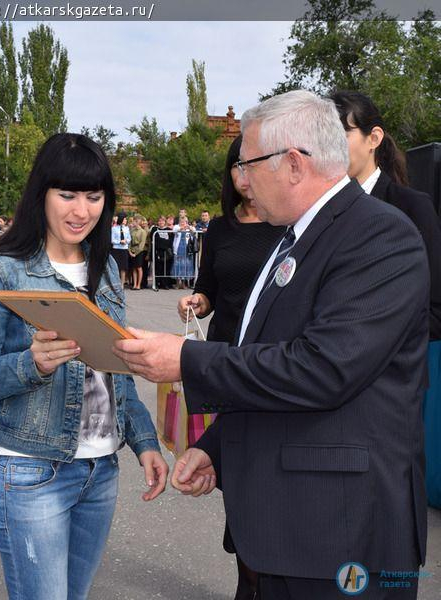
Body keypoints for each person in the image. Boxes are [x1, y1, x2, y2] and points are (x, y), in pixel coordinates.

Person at [112, 90, 429, 599]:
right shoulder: (297, 237)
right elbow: (270, 359)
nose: (241, 179)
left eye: (248, 164)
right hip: (288, 528)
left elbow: (321, 370)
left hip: (340, 533)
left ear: (294, 165)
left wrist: (185, 359)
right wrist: (216, 447)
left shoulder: (379, 236)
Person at [0, 133, 168, 600]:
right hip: (30, 473)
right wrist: (29, 364)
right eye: (66, 194)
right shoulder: (2, 271)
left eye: (93, 196)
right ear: (41, 194)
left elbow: (119, 366)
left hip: (101, 471)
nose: (81, 210)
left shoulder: (105, 268)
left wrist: (144, 441)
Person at [177, 134, 285, 599]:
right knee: (236, 467)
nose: (244, 177)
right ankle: (248, 568)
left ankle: (265, 568)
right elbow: (208, 291)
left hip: (272, 363)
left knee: (268, 471)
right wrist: (195, 302)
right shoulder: (219, 230)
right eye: (236, 168)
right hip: (225, 360)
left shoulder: (291, 224)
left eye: (251, 166)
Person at [330, 90, 441, 340]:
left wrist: (373, 339)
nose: (329, 147)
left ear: (374, 138)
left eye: (340, 135)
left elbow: (436, 311)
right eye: (323, 138)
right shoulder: (318, 211)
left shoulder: (412, 207)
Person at [171, 215, 197, 289]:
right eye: (181, 221)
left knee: (185, 265)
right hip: (178, 248)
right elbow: (174, 231)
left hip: (187, 249)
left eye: (185, 221)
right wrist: (182, 228)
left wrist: (189, 227)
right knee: (177, 265)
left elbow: (194, 231)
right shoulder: (176, 226)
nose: (183, 223)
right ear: (179, 222)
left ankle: (183, 283)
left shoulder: (189, 227)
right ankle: (177, 283)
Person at [148, 215, 174, 290]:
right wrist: (164, 242)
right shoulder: (154, 229)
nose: (161, 222)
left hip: (167, 253)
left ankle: (165, 284)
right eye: (159, 221)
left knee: (166, 269)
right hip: (157, 252)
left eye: (162, 221)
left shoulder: (169, 230)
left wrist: (163, 243)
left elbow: (170, 242)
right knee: (157, 268)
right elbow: (156, 240)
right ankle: (156, 283)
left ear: (165, 222)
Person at [111, 211, 131, 287]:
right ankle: (116, 283)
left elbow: (129, 238)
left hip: (124, 249)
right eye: (125, 219)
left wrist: (126, 241)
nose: (126, 220)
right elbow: (112, 240)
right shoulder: (114, 228)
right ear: (121, 219)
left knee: (123, 267)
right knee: (116, 267)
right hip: (116, 249)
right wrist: (119, 241)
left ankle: (122, 284)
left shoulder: (127, 228)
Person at [128, 214, 147, 290]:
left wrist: (135, 253)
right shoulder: (132, 231)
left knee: (139, 268)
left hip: (139, 251)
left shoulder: (142, 231)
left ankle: (139, 284)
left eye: (135, 221)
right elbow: (129, 241)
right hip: (132, 249)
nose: (134, 223)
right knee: (133, 268)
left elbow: (142, 244)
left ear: (138, 222)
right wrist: (129, 251)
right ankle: (134, 284)